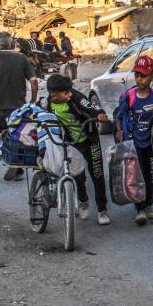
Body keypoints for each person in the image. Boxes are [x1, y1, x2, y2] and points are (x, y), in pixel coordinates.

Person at [38, 74, 111, 225]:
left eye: (70, 91)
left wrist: (100, 114)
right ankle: (83, 201)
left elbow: (93, 108)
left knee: (97, 173)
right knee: (77, 174)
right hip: (71, 143)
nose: (70, 94)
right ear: (54, 95)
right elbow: (32, 111)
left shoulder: (77, 98)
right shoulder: (46, 104)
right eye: (66, 93)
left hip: (89, 139)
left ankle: (102, 210)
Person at [114, 55, 153, 226]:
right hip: (133, 143)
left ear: (152, 77)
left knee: (150, 175)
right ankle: (139, 209)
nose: (139, 79)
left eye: (144, 75)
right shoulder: (129, 96)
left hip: (149, 143)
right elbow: (118, 116)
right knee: (136, 176)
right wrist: (120, 132)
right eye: (137, 75)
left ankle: (149, 206)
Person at [0, 32, 39, 180]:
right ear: (12, 43)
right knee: (18, 137)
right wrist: (32, 100)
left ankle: (10, 160)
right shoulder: (22, 58)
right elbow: (33, 80)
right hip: (19, 107)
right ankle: (17, 164)